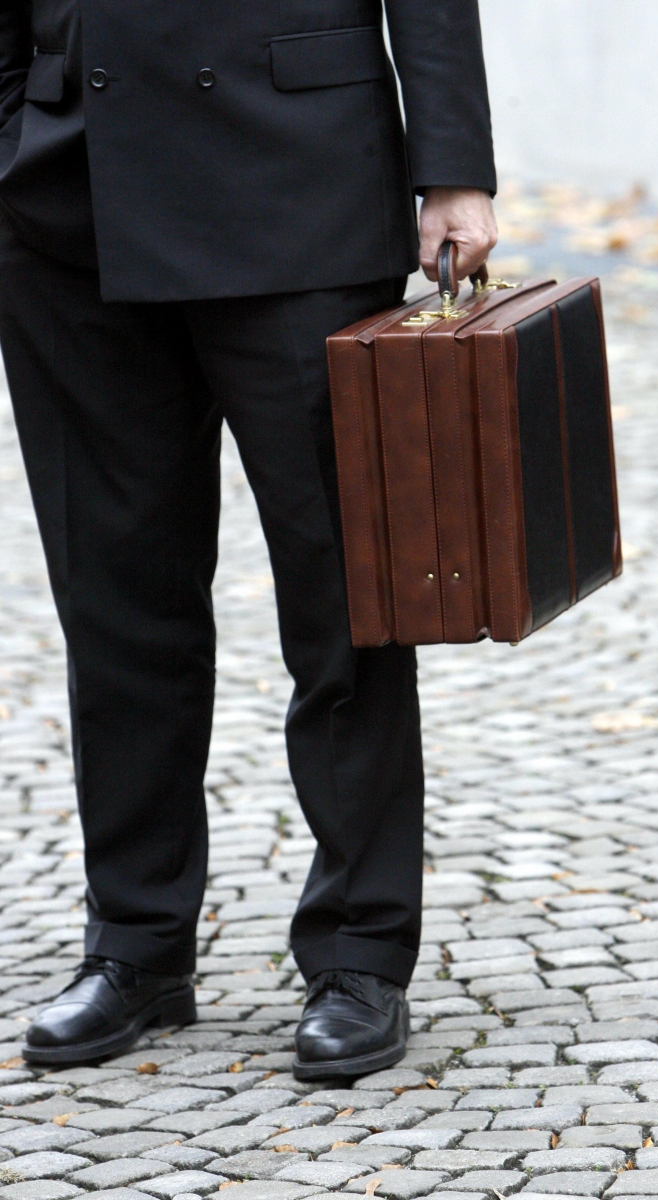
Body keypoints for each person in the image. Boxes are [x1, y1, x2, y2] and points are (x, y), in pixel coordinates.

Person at [0, 0, 497, 1076]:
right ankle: (135, 946)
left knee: (341, 604)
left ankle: (360, 951)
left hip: (297, 182)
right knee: (114, 595)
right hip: (64, 194)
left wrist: (453, 167)